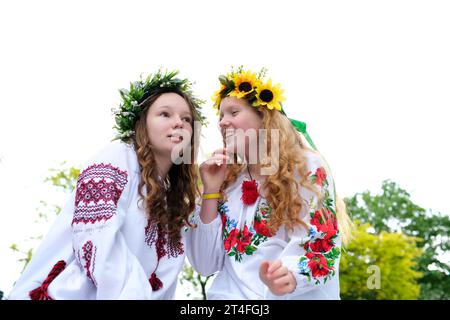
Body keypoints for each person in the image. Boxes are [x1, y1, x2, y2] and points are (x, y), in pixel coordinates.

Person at [8, 69, 205, 299]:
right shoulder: (117, 157)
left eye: (186, 119)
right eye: (165, 114)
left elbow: (165, 282)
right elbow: (97, 241)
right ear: (142, 123)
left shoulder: (174, 199)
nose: (178, 123)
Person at [187, 66, 353, 299]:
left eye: (233, 113)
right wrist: (210, 191)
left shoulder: (305, 166)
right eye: (221, 116)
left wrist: (292, 275)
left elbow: (323, 246)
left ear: (264, 117)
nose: (223, 123)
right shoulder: (225, 179)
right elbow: (205, 264)